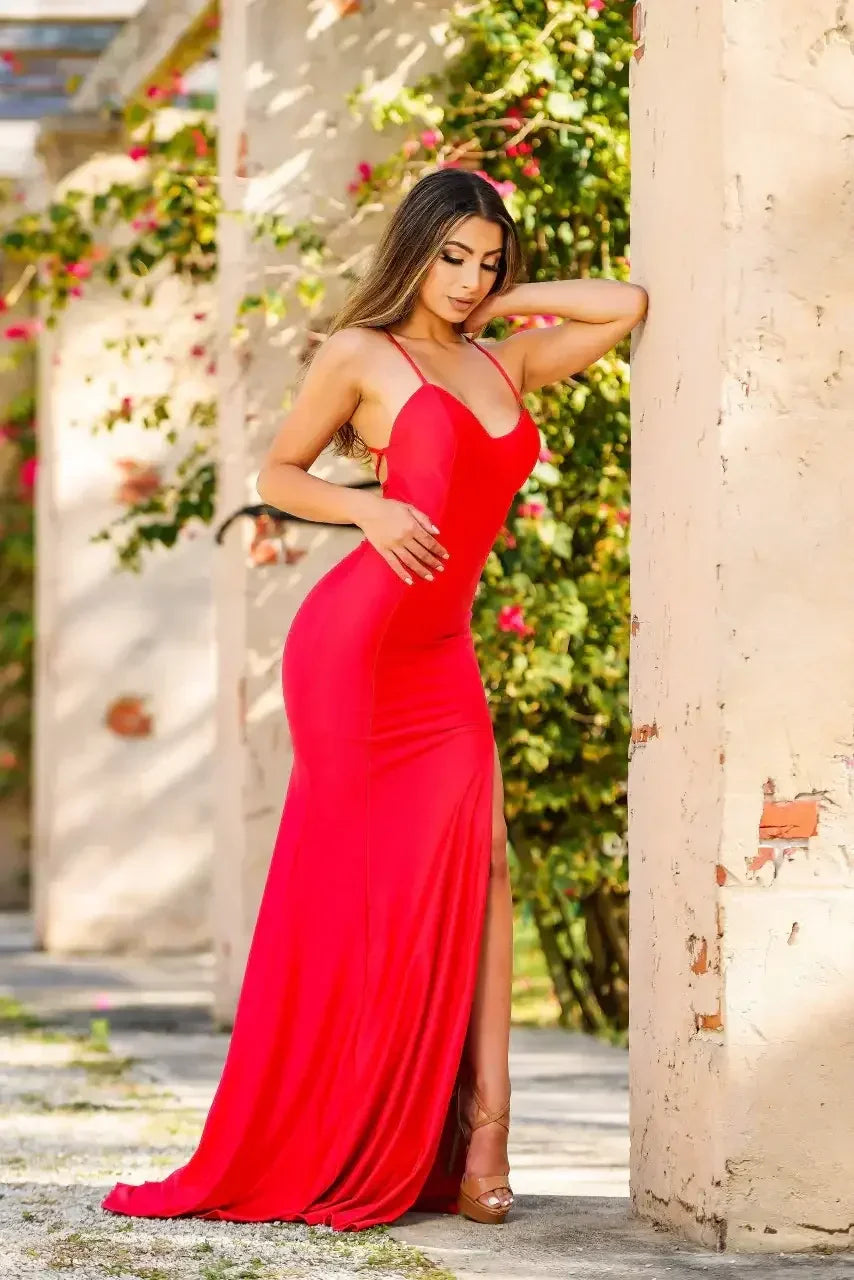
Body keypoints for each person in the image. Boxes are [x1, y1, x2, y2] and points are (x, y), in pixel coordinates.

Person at [101, 167, 647, 1231]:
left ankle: (484, 1128)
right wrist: (367, 512)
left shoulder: (507, 358)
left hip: (440, 651)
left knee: (478, 868)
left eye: (487, 260)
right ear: (414, 247)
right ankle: (342, 1118)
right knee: (356, 888)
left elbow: (623, 307)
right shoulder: (362, 354)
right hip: (355, 644)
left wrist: (496, 307)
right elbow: (276, 471)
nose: (466, 277)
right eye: (451, 256)